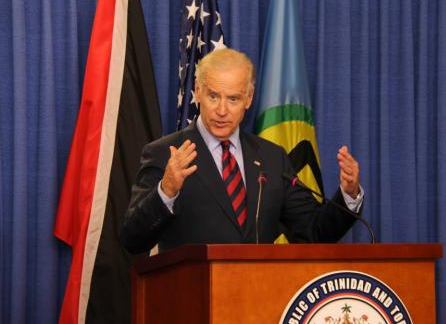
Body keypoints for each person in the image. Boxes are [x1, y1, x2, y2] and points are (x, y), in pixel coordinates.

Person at [121, 48, 364, 254]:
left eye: (234, 99)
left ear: (248, 98)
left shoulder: (272, 158)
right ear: (197, 91)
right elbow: (133, 240)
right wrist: (166, 190)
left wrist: (348, 195)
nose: (222, 110)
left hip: (258, 299)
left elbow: (313, 232)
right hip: (193, 300)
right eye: (214, 96)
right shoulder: (165, 154)